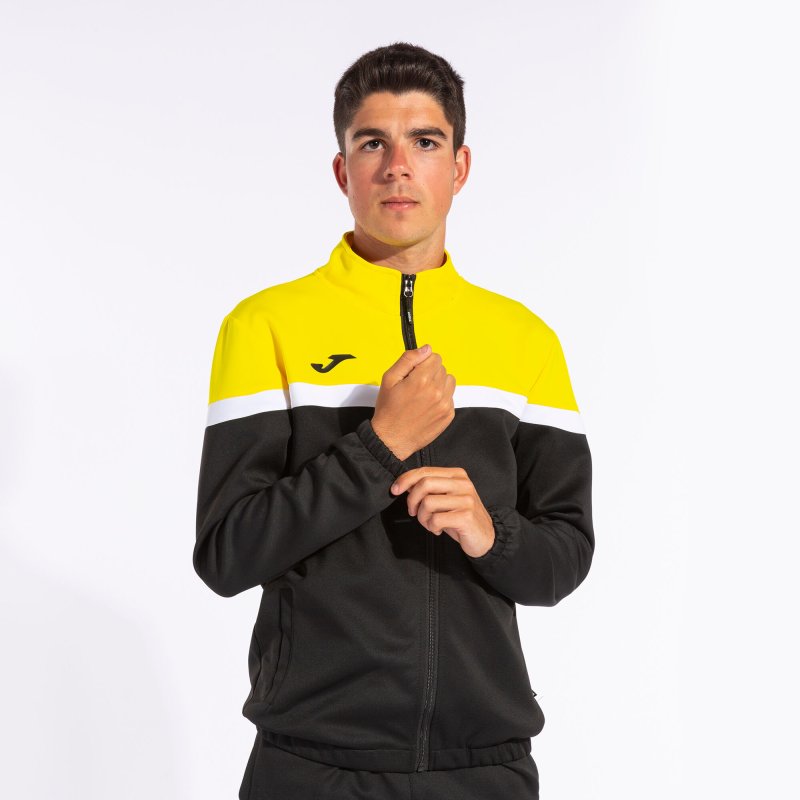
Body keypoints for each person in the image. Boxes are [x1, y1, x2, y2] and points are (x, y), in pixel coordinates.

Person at [194, 42, 594, 800]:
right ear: (342, 170)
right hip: (311, 767)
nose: (398, 166)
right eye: (372, 143)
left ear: (460, 167)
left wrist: (490, 532)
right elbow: (227, 553)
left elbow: (565, 555)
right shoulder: (265, 326)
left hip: (486, 767)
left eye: (425, 141)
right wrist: (379, 449)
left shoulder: (526, 341)